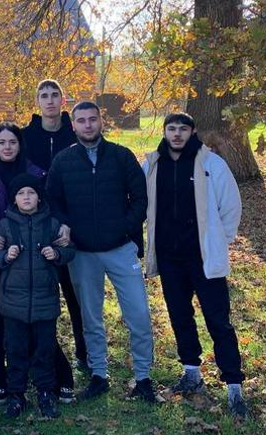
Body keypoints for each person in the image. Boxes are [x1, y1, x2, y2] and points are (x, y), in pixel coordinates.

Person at [46, 101, 156, 403]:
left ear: (100, 121)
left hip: (120, 249)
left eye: (92, 119)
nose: (87, 125)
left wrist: (124, 228)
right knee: (90, 317)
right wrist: (65, 226)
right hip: (81, 253)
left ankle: (143, 377)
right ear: (74, 125)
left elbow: (141, 199)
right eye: (81, 121)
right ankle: (99, 375)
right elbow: (53, 201)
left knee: (139, 314)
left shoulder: (121, 157)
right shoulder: (63, 161)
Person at [141, 112, 247, 418]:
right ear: (164, 131)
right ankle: (191, 373)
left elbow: (231, 207)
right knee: (180, 316)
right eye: (171, 129)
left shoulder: (212, 165)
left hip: (203, 258)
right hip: (169, 257)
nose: (176, 134)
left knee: (218, 320)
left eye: (182, 129)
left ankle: (234, 385)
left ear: (192, 131)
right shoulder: (151, 165)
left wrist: (218, 240)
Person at [0, 124, 76, 406]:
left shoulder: (36, 174)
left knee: (38, 320)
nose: (7, 147)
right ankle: (3, 383)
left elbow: (53, 206)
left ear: (19, 144)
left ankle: (56, 378)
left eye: (12, 142)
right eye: (1, 142)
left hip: (33, 259)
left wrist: (63, 227)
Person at [0, 173, 75, 419]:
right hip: (13, 303)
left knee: (45, 349)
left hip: (45, 301)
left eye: (31, 193)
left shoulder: (51, 223)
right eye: (21, 193)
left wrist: (56, 254)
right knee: (15, 349)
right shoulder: (6, 224)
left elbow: (70, 251)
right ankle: (16, 394)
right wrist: (4, 256)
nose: (26, 197)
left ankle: (46, 393)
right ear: (14, 199)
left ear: (38, 197)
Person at [21, 79, 89, 373]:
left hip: (71, 228)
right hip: (35, 227)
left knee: (77, 296)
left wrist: (71, 223)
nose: (49, 100)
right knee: (39, 296)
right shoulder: (25, 137)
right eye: (43, 95)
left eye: (54, 95)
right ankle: (41, 357)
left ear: (63, 100)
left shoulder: (76, 135)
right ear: (37, 101)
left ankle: (85, 354)